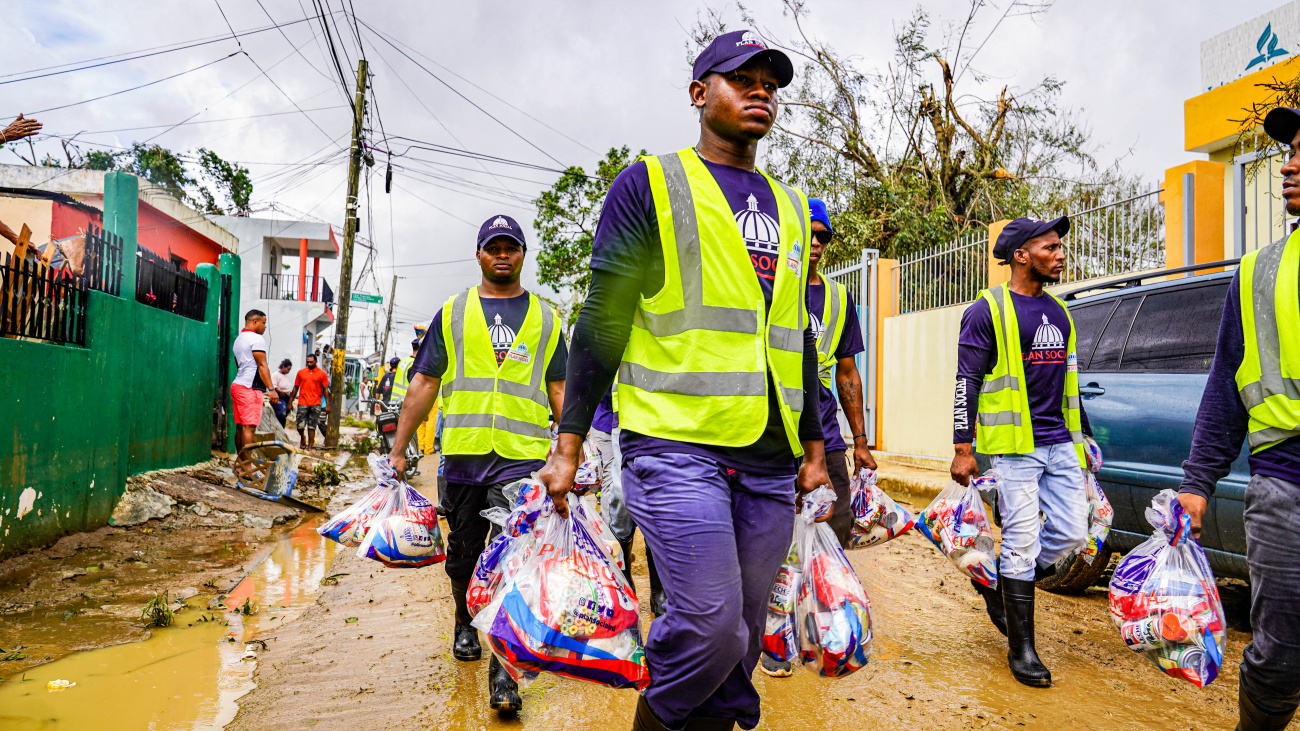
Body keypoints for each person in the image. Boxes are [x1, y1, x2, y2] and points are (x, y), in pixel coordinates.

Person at [536, 30, 830, 731]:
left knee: (738, 650)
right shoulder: (651, 185)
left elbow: (796, 339)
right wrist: (569, 442)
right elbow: (603, 319)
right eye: (741, 77)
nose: (761, 90)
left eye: (770, 82)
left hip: (766, 458)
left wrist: (816, 449)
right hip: (673, 447)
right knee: (708, 624)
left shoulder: (790, 208)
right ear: (700, 94)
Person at [386, 213, 567, 716]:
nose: (502, 254)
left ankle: (504, 674)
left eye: (511, 246)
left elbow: (559, 389)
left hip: (522, 460)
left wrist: (574, 453)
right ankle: (465, 620)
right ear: (481, 254)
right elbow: (424, 382)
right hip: (464, 455)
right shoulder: (453, 312)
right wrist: (400, 448)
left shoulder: (548, 318)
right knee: (464, 554)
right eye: (494, 247)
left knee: (514, 561)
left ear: (523, 254)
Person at [1178, 107, 1300, 731]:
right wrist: (1197, 483)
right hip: (1285, 484)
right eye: (1291, 151)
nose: (1291, 166)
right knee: (1281, 654)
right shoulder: (1259, 272)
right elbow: (1226, 383)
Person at [950, 216, 1096, 688]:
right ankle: (1023, 648)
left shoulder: (1061, 312)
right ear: (1021, 255)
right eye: (1050, 247)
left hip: (1061, 443)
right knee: (1021, 538)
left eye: (1060, 247)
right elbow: (965, 380)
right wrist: (962, 446)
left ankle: (1000, 580)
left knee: (1075, 535)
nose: (1060, 253)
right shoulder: (985, 310)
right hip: (1014, 449)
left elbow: (1069, 384)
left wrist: (1086, 439)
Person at [759, 197, 876, 679]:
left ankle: (819, 625)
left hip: (824, 432)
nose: (816, 243)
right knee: (772, 538)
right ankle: (772, 634)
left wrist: (861, 440)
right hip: (771, 432)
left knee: (837, 524)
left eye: (824, 236)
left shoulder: (838, 298)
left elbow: (848, 372)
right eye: (808, 232)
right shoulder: (764, 288)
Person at [589, 386, 666, 617]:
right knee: (619, 497)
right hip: (609, 423)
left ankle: (659, 593)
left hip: (658, 421)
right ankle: (622, 574)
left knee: (657, 503)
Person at [230, 310, 278, 457]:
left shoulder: (239, 339)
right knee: (249, 428)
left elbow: (239, 364)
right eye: (263, 323)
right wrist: (271, 389)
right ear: (254, 322)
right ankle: (247, 468)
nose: (265, 327)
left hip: (238, 385)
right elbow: (262, 365)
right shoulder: (256, 339)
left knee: (240, 427)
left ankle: (241, 465)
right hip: (249, 388)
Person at [289, 353, 330, 450]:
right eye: (307, 362)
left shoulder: (322, 374)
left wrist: (328, 404)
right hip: (302, 402)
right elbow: (295, 388)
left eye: (311, 362)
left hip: (316, 403)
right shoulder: (301, 373)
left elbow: (325, 390)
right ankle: (302, 437)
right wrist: (290, 402)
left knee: (312, 427)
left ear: (316, 361)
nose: (309, 364)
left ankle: (310, 447)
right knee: (300, 426)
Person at [271, 359, 294, 428]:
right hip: (279, 396)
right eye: (288, 369)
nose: (288, 371)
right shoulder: (276, 375)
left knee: (285, 415)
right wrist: (280, 391)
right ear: (283, 367)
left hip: (286, 397)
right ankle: (274, 426)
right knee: (281, 413)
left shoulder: (286, 376)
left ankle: (282, 430)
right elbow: (273, 385)